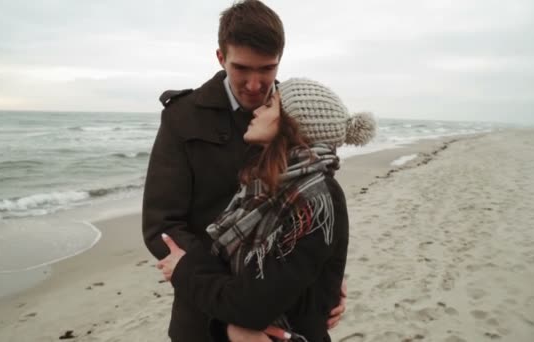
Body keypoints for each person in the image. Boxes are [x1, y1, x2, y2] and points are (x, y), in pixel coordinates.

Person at [143, 1, 346, 340]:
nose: (255, 84)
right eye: (241, 68)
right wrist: (236, 304)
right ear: (221, 58)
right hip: (203, 312)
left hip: (286, 312)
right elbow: (162, 226)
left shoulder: (299, 112)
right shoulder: (183, 117)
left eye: (266, 69)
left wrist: (324, 280)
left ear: (280, 59)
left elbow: (315, 211)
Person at [157, 78, 376, 341]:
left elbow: (253, 305)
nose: (258, 110)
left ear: (293, 124)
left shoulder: (315, 197)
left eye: (270, 104)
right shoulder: (272, 184)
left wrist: (184, 270)